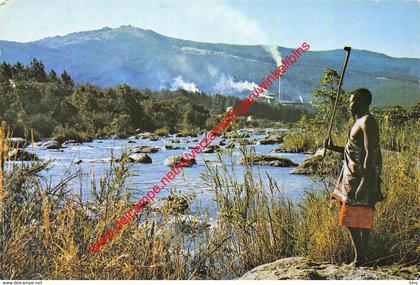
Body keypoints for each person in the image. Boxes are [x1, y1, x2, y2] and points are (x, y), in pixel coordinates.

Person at [324, 88, 384, 266]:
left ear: (361, 102)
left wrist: (364, 181)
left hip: (361, 177)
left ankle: (360, 258)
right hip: (353, 176)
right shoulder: (359, 121)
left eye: (352, 102)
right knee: (356, 216)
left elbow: (369, 153)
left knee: (355, 216)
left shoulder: (367, 121)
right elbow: (354, 150)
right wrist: (333, 147)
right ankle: (362, 257)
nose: (349, 106)